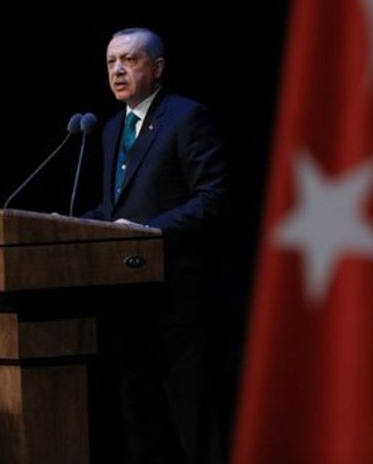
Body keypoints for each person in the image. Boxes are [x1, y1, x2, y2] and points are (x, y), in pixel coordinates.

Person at [83, 27, 227, 464]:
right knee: (141, 420)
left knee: (190, 417)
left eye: (130, 60)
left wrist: (150, 231)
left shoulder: (186, 118)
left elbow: (212, 197)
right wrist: (69, 224)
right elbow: (115, 208)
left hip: (177, 298)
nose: (118, 70)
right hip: (128, 302)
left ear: (157, 68)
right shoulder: (110, 129)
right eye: (111, 62)